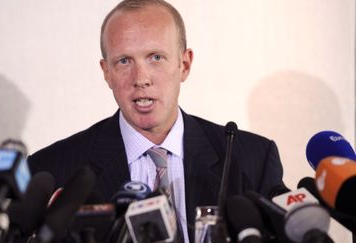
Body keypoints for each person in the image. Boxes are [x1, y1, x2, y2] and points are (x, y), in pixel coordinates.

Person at [28, 0, 285, 242]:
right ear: (106, 72)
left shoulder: (252, 160)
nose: (141, 78)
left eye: (156, 57)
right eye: (124, 61)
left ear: (184, 64)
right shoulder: (52, 169)